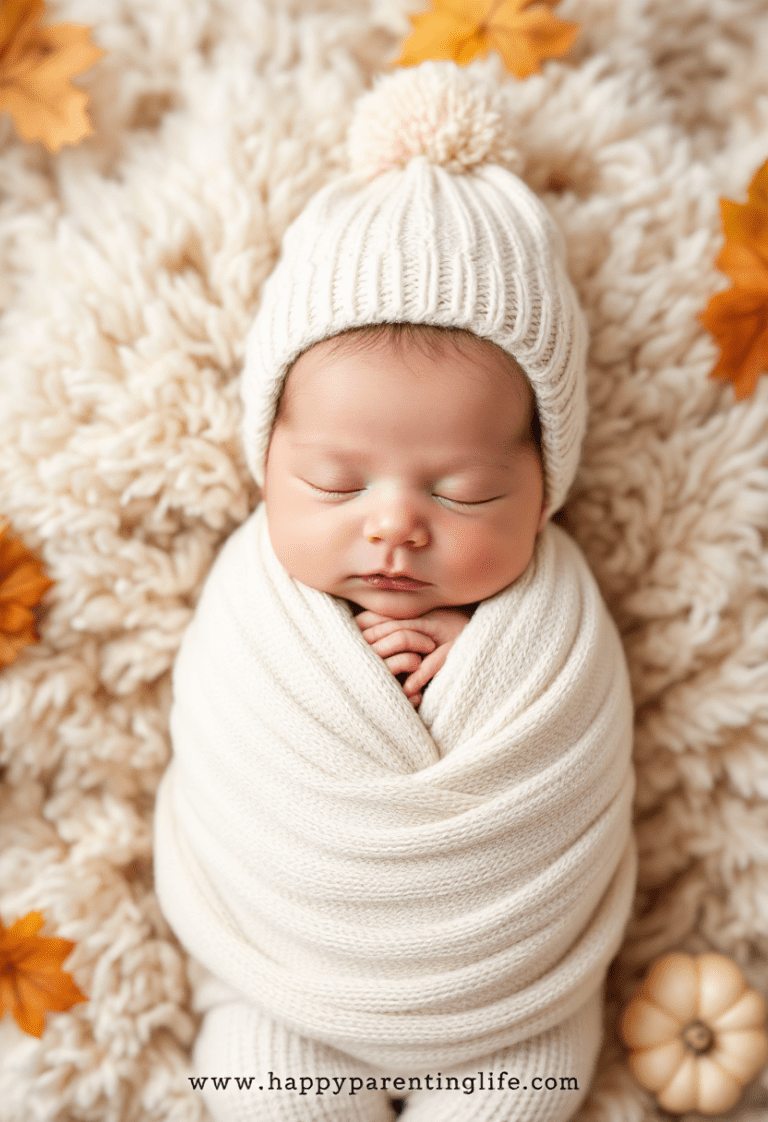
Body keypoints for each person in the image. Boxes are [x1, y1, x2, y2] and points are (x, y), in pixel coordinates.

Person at [154, 61, 637, 1122]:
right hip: (286, 972)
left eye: (464, 492)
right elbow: (234, 754)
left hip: (514, 999)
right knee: (261, 1086)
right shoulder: (252, 604)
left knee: (527, 1090)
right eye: (334, 481)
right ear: (267, 456)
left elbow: (574, 775)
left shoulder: (560, 623)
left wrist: (466, 688)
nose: (393, 524)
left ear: (545, 484)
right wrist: (357, 699)